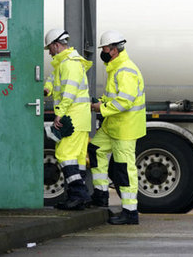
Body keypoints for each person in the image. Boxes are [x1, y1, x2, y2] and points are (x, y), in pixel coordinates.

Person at [89, 30, 146, 225]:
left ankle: (130, 212)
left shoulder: (125, 70)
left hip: (124, 129)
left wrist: (101, 108)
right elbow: (114, 97)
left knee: (124, 169)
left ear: (114, 50)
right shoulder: (115, 68)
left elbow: (125, 102)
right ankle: (100, 195)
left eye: (104, 49)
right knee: (95, 149)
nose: (103, 52)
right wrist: (101, 102)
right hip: (113, 125)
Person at [43, 28, 93, 210]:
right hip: (80, 119)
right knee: (77, 159)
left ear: (57, 45)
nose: (49, 52)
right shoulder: (65, 63)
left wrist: (60, 113)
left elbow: (69, 92)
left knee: (64, 155)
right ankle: (77, 198)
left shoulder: (69, 64)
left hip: (73, 118)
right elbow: (53, 80)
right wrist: (47, 89)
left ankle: (79, 195)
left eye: (50, 48)